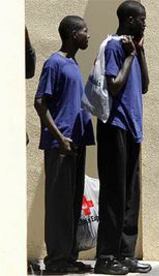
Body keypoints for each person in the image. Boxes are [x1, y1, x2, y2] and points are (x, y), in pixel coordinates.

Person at [94, 1, 151, 274]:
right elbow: (114, 86)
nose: (145, 23)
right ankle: (106, 257)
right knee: (114, 194)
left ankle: (125, 254)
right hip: (114, 126)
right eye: (141, 19)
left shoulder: (133, 48)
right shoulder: (116, 46)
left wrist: (140, 53)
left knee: (130, 194)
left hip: (132, 128)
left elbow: (146, 86)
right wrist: (129, 56)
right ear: (129, 19)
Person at [34, 15, 94, 274]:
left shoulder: (72, 62)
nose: (88, 35)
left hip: (76, 144)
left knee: (71, 204)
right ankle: (56, 262)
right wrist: (59, 138)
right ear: (72, 34)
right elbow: (40, 102)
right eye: (84, 31)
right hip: (60, 146)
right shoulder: (54, 63)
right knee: (58, 205)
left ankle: (68, 257)